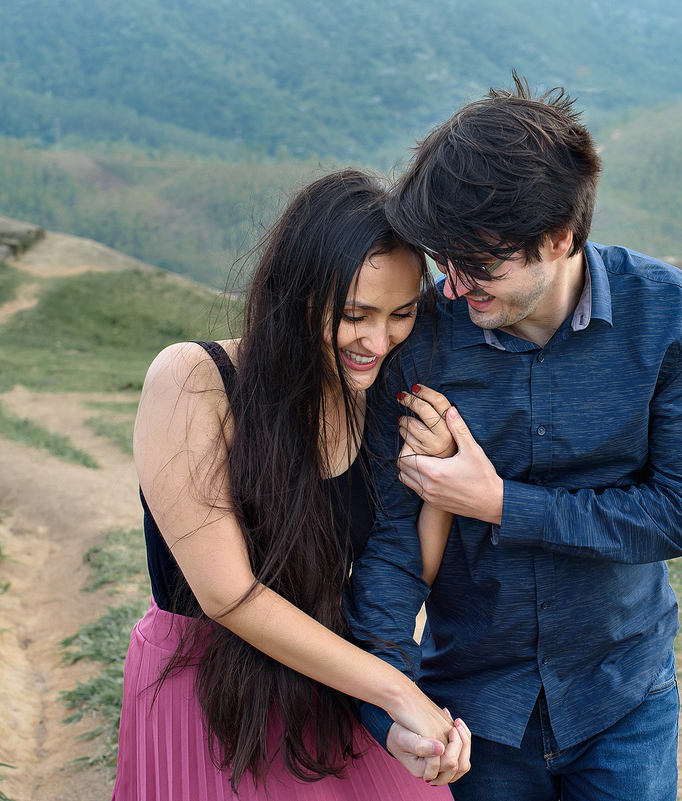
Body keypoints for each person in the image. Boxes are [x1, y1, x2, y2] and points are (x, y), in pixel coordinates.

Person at [347, 76, 682, 800]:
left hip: (624, 693)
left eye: (481, 265)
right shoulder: (420, 342)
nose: (453, 286)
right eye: (444, 262)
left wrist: (498, 502)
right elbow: (392, 547)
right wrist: (388, 704)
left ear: (559, 238)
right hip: (475, 708)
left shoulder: (664, 311)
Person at [112, 169, 471, 800]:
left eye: (401, 315)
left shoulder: (380, 400)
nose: (378, 340)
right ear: (296, 293)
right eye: (355, 314)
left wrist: (436, 482)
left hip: (331, 675)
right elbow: (227, 594)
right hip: (206, 688)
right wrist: (395, 690)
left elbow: (404, 572)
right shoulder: (196, 379)